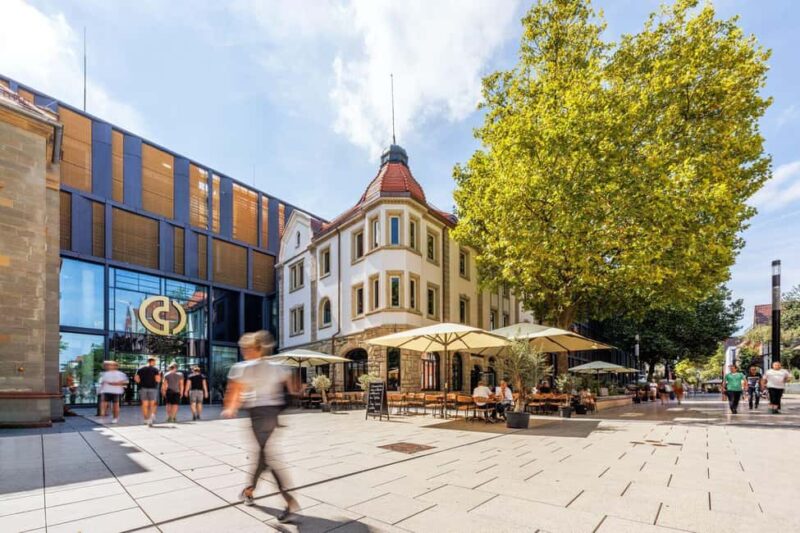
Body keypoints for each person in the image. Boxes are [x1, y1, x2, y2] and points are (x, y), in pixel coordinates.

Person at [222, 331, 299, 522]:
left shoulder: (242, 368)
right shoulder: (277, 366)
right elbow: (293, 386)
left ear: (253, 349)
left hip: (257, 415)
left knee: (266, 457)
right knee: (262, 456)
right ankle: (249, 491)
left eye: (245, 349)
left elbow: (234, 392)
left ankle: (289, 500)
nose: (243, 352)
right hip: (273, 414)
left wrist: (230, 409)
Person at [134, 357, 161, 426]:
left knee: (144, 404)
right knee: (152, 404)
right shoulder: (155, 369)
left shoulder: (140, 369)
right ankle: (150, 419)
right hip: (152, 388)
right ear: (152, 362)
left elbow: (136, 379)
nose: (155, 363)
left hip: (143, 388)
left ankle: (145, 419)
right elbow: (158, 379)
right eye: (154, 362)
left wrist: (141, 383)